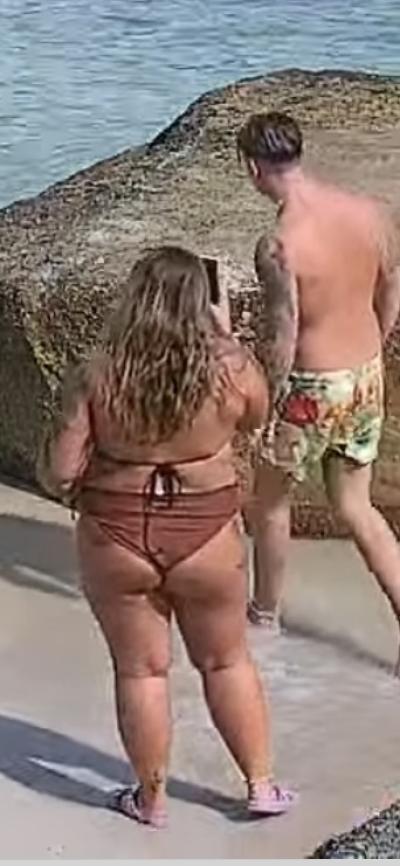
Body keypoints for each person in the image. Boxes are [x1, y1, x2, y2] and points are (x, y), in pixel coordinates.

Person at [38, 245, 295, 828]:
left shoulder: (98, 371)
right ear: (203, 301)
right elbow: (256, 417)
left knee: (141, 672)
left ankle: (151, 801)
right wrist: (225, 337)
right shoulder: (232, 368)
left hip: (116, 532)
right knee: (226, 661)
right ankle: (260, 786)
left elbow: (61, 470)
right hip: (207, 533)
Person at [237, 112, 400, 673]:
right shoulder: (369, 212)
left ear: (253, 168)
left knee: (270, 501)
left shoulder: (279, 245)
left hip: (309, 387)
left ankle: (264, 615)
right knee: (357, 507)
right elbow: (393, 281)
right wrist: (374, 343)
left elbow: (284, 336)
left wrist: (265, 402)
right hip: (364, 374)